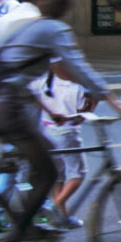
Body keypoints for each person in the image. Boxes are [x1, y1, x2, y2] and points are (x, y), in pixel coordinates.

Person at [0, 0, 121, 232]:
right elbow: (74, 66)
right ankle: (27, 225)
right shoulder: (48, 27)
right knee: (45, 166)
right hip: (12, 105)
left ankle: (11, 215)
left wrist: (49, 110)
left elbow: (4, 67)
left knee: (17, 159)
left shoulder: (6, 20)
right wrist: (112, 100)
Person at [33, 67, 92, 228]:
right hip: (67, 133)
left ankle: (62, 216)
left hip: (47, 130)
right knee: (78, 173)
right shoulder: (77, 87)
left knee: (58, 175)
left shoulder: (45, 81)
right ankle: (56, 205)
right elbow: (81, 115)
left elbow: (32, 96)